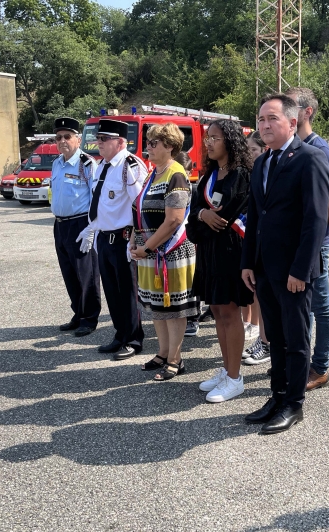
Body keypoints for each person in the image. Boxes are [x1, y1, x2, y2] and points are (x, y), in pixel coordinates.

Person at [241, 94, 329, 434]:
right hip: (264, 267)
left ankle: (294, 403)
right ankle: (277, 395)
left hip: (293, 271)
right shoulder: (263, 162)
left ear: (292, 123)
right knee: (274, 337)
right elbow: (256, 217)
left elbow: (315, 220)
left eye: (272, 119)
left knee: (295, 339)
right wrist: (249, 261)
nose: (264, 125)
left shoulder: (310, 159)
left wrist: (301, 270)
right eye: (261, 119)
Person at [187, 120, 254, 402]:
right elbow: (195, 215)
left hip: (229, 251)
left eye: (214, 137)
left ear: (230, 140)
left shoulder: (242, 175)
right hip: (209, 252)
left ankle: (236, 378)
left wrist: (206, 217)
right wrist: (203, 216)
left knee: (230, 313)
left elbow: (227, 219)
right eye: (207, 137)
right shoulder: (210, 174)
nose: (208, 143)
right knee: (216, 310)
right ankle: (227, 370)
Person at [131, 123, 198, 381]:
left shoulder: (176, 175)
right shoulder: (153, 174)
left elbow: (173, 220)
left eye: (154, 142)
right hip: (150, 250)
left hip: (171, 251)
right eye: (149, 142)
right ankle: (162, 352)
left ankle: (175, 358)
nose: (149, 146)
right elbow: (140, 209)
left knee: (173, 309)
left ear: (169, 146)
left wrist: (147, 247)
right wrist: (135, 240)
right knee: (156, 306)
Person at [285, 87, 329, 391]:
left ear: (306, 113)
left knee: (320, 304)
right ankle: (301, 361)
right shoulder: (292, 147)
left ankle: (319, 367)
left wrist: (322, 235)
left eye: (290, 106)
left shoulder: (319, 150)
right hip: (297, 242)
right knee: (302, 306)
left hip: (313, 244)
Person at [79, 119, 146, 360]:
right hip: (104, 238)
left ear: (120, 142)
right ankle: (120, 334)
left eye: (104, 139)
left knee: (127, 291)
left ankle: (134, 338)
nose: (99, 143)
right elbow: (102, 203)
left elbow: (140, 204)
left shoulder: (130, 165)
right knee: (111, 291)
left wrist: (137, 238)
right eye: (98, 139)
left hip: (123, 239)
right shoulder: (103, 166)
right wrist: (92, 228)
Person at [49, 117, 102, 337]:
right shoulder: (56, 163)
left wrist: (92, 229)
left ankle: (89, 318)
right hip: (60, 225)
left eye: (67, 136)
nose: (62, 141)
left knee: (86, 273)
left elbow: (96, 200)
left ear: (78, 140)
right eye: (58, 137)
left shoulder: (87, 164)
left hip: (81, 223)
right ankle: (77, 313)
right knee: (69, 273)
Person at [242, 131, 271, 363]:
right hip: (253, 240)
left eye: (253, 150)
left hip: (268, 243)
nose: (249, 154)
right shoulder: (252, 172)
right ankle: (262, 339)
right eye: (248, 150)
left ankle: (266, 341)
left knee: (264, 296)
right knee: (257, 292)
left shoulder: (268, 171)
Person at [175, 151, 202, 337]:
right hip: (175, 241)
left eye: (185, 171)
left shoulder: (195, 189)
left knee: (193, 280)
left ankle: (194, 318)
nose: (182, 175)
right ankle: (179, 314)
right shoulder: (173, 188)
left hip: (191, 240)